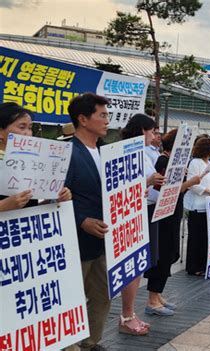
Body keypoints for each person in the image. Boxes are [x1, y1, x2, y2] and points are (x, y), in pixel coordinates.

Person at [64, 93, 112, 350]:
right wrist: (81, 220)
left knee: (103, 294)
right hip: (77, 242)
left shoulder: (106, 152)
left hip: (104, 241)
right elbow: (56, 198)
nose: (107, 121)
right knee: (70, 300)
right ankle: (70, 346)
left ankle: (91, 341)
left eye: (107, 115)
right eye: (102, 115)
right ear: (82, 119)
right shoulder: (67, 153)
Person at [144, 129, 201, 315]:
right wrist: (190, 182)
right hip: (163, 215)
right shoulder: (163, 161)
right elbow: (165, 191)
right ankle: (153, 299)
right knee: (163, 254)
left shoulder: (172, 162)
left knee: (169, 253)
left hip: (172, 213)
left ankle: (158, 295)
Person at [118, 114, 166, 334]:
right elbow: (123, 185)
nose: (155, 135)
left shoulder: (146, 153)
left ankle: (130, 313)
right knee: (133, 266)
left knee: (140, 265)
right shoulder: (128, 151)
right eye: (152, 131)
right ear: (141, 130)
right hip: (135, 213)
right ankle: (127, 314)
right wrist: (149, 181)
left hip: (146, 208)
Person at [0, 102, 71, 211]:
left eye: (30, 128)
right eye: (22, 127)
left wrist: (56, 199)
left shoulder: (32, 164)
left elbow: (32, 208)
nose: (28, 133)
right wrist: (4, 206)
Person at [184, 137, 210, 275]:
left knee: (205, 238)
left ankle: (204, 264)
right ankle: (194, 267)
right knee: (197, 237)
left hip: (209, 206)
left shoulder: (208, 163)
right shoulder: (195, 163)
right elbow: (192, 184)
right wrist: (208, 191)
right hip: (198, 205)